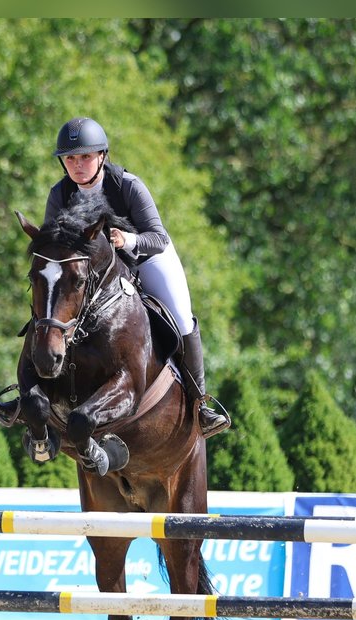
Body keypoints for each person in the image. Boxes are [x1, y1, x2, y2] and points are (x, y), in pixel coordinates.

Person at [40, 116, 230, 438]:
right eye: (70, 158)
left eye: (85, 156)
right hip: (95, 275)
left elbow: (158, 238)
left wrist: (129, 241)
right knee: (49, 312)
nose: (77, 165)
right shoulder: (60, 194)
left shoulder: (128, 186)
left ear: (102, 156)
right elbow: (52, 247)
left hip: (145, 259)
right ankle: (29, 395)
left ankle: (200, 405)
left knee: (182, 319)